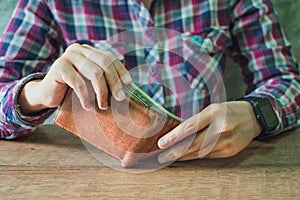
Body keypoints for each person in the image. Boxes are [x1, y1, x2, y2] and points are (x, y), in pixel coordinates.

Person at [0, 0, 299, 164]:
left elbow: (286, 80)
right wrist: (38, 93)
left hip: (206, 173)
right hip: (95, 178)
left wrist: (257, 114)